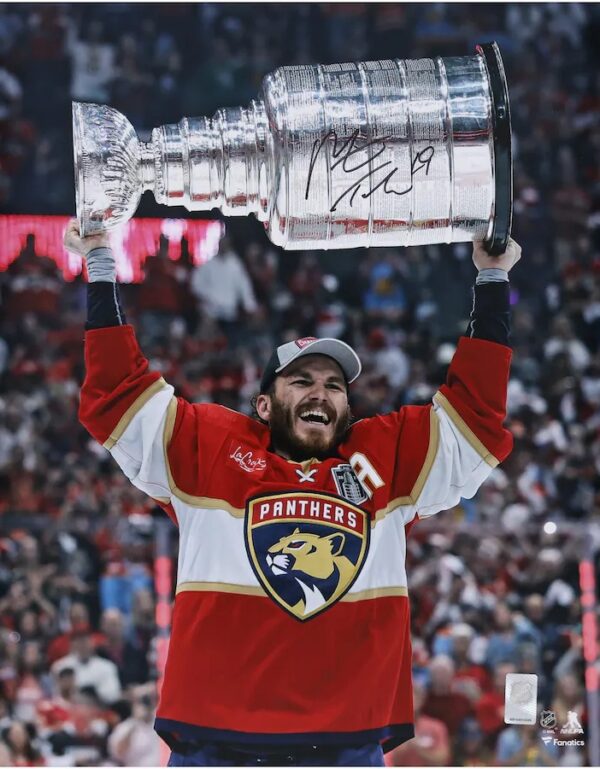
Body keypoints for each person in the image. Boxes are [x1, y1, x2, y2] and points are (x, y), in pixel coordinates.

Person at [64, 219, 520, 767]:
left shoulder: (383, 462)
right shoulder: (211, 449)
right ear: (263, 405)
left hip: (344, 747)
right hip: (217, 745)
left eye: (333, 386)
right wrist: (99, 262)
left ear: (348, 409)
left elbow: (474, 417)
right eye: (301, 382)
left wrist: (492, 278)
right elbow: (119, 391)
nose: (320, 394)